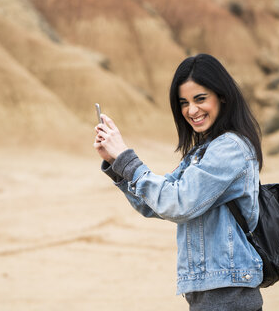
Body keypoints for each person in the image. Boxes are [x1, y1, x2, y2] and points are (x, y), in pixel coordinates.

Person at [93, 53, 264, 311]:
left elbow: (177, 203)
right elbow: (154, 204)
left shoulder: (230, 148)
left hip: (228, 296)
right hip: (210, 295)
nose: (191, 110)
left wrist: (126, 157)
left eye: (200, 99)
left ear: (223, 96)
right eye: (184, 102)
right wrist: (117, 165)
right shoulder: (204, 151)